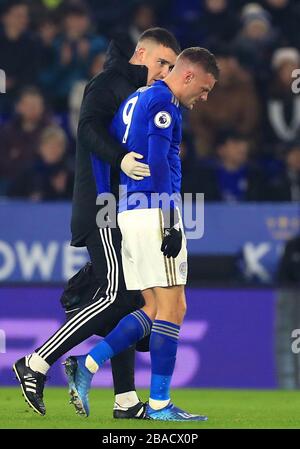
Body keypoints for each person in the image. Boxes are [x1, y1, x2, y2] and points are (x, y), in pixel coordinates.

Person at [13, 28, 180, 419]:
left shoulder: (145, 95)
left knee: (129, 301)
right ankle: (36, 363)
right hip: (101, 205)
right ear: (140, 54)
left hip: (121, 210)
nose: (165, 71)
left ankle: (125, 400)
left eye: (172, 66)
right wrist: (121, 159)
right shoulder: (108, 83)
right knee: (113, 295)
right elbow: (86, 129)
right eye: (161, 63)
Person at [64, 47, 218, 422]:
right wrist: (169, 222)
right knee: (173, 308)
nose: (205, 96)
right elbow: (157, 164)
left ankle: (87, 364)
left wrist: (117, 196)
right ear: (188, 76)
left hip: (130, 212)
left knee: (154, 307)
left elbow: (110, 147)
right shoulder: (165, 105)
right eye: (205, 87)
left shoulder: (136, 98)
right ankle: (161, 405)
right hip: (154, 213)